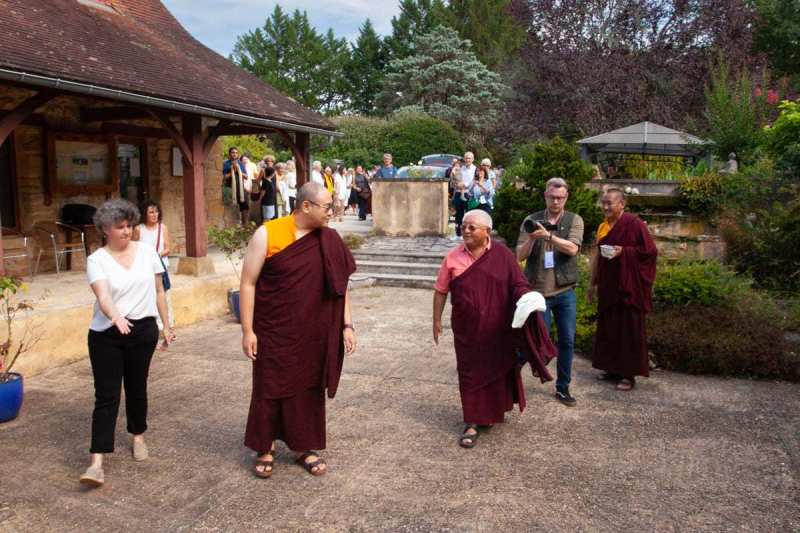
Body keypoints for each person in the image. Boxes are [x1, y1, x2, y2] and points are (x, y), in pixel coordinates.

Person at [240, 182, 357, 478]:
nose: (333, 212)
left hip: (315, 330)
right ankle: (265, 446)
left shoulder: (329, 239)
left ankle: (304, 446)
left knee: (308, 388)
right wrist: (247, 330)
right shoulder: (269, 233)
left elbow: (341, 287)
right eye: (328, 207)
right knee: (269, 387)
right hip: (274, 328)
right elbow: (248, 283)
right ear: (306, 206)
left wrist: (347, 324)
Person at [433, 209, 556, 448]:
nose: (465, 230)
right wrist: (436, 321)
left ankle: (487, 414)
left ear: (487, 231)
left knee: (494, 370)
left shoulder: (502, 255)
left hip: (498, 329)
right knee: (470, 374)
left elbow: (518, 284)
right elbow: (440, 291)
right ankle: (472, 421)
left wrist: (529, 299)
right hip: (467, 330)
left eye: (472, 227)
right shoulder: (452, 257)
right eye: (464, 226)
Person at [79, 199, 175, 487]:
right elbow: (103, 296)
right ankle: (96, 462)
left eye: (130, 226)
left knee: (137, 387)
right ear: (105, 229)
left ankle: (138, 435)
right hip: (107, 334)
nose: (127, 231)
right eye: (120, 227)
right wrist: (116, 317)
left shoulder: (148, 253)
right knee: (106, 395)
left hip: (142, 330)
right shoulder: (97, 259)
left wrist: (165, 325)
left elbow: (159, 291)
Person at [516, 178, 584, 406]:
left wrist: (548, 237)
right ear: (545, 196)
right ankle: (510, 374)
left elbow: (573, 249)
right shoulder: (531, 220)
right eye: (552, 197)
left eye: (560, 197)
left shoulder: (575, 220)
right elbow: (519, 256)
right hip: (538, 292)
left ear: (566, 197)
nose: (556, 201)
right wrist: (533, 240)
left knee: (567, 340)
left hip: (564, 291)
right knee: (535, 341)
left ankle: (563, 388)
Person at [588, 188, 658, 391]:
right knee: (609, 328)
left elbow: (650, 252)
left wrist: (624, 251)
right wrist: (592, 284)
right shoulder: (603, 227)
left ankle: (628, 374)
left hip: (628, 288)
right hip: (609, 286)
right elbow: (597, 257)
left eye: (610, 203)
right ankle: (611, 368)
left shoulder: (634, 224)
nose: (605, 207)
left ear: (622, 204)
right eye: (603, 203)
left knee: (629, 330)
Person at [133, 200, 174, 343]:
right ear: (144, 214)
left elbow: (169, 248)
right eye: (151, 212)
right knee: (148, 298)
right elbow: (134, 248)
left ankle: (168, 327)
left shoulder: (163, 228)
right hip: (145, 269)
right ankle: (154, 328)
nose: (154, 214)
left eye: (156, 211)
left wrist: (156, 256)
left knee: (164, 295)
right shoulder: (138, 229)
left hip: (160, 267)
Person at [222, 147, 251, 225]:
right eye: (233, 152)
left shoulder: (241, 163)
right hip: (230, 189)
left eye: (236, 152)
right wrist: (233, 171)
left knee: (245, 207)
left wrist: (239, 170)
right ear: (229, 154)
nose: (234, 154)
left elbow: (246, 176)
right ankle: (231, 226)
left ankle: (245, 225)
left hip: (241, 189)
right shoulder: (226, 164)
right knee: (231, 208)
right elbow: (224, 177)